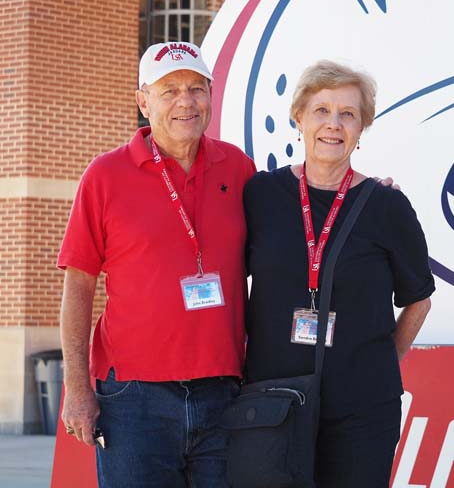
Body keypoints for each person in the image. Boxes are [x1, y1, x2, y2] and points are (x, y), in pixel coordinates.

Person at [57, 41, 257, 487]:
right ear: (143, 101)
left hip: (225, 392)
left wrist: (363, 191)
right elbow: (79, 287)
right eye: (169, 90)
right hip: (133, 400)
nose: (186, 101)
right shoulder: (105, 176)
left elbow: (289, 233)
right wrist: (77, 389)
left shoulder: (239, 169)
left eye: (196, 88)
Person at [243, 60, 434, 487]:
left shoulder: (386, 206)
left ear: (362, 127)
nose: (334, 124)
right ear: (299, 118)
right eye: (321, 110)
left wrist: (382, 359)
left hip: (362, 408)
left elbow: (419, 296)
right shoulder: (261, 194)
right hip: (273, 402)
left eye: (348, 114)